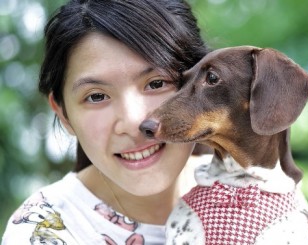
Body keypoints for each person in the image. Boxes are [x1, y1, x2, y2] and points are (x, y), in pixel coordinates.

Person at [2, 0, 209, 244]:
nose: (133, 123)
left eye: (156, 83)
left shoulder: (255, 187)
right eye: (97, 96)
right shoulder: (45, 230)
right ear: (63, 114)